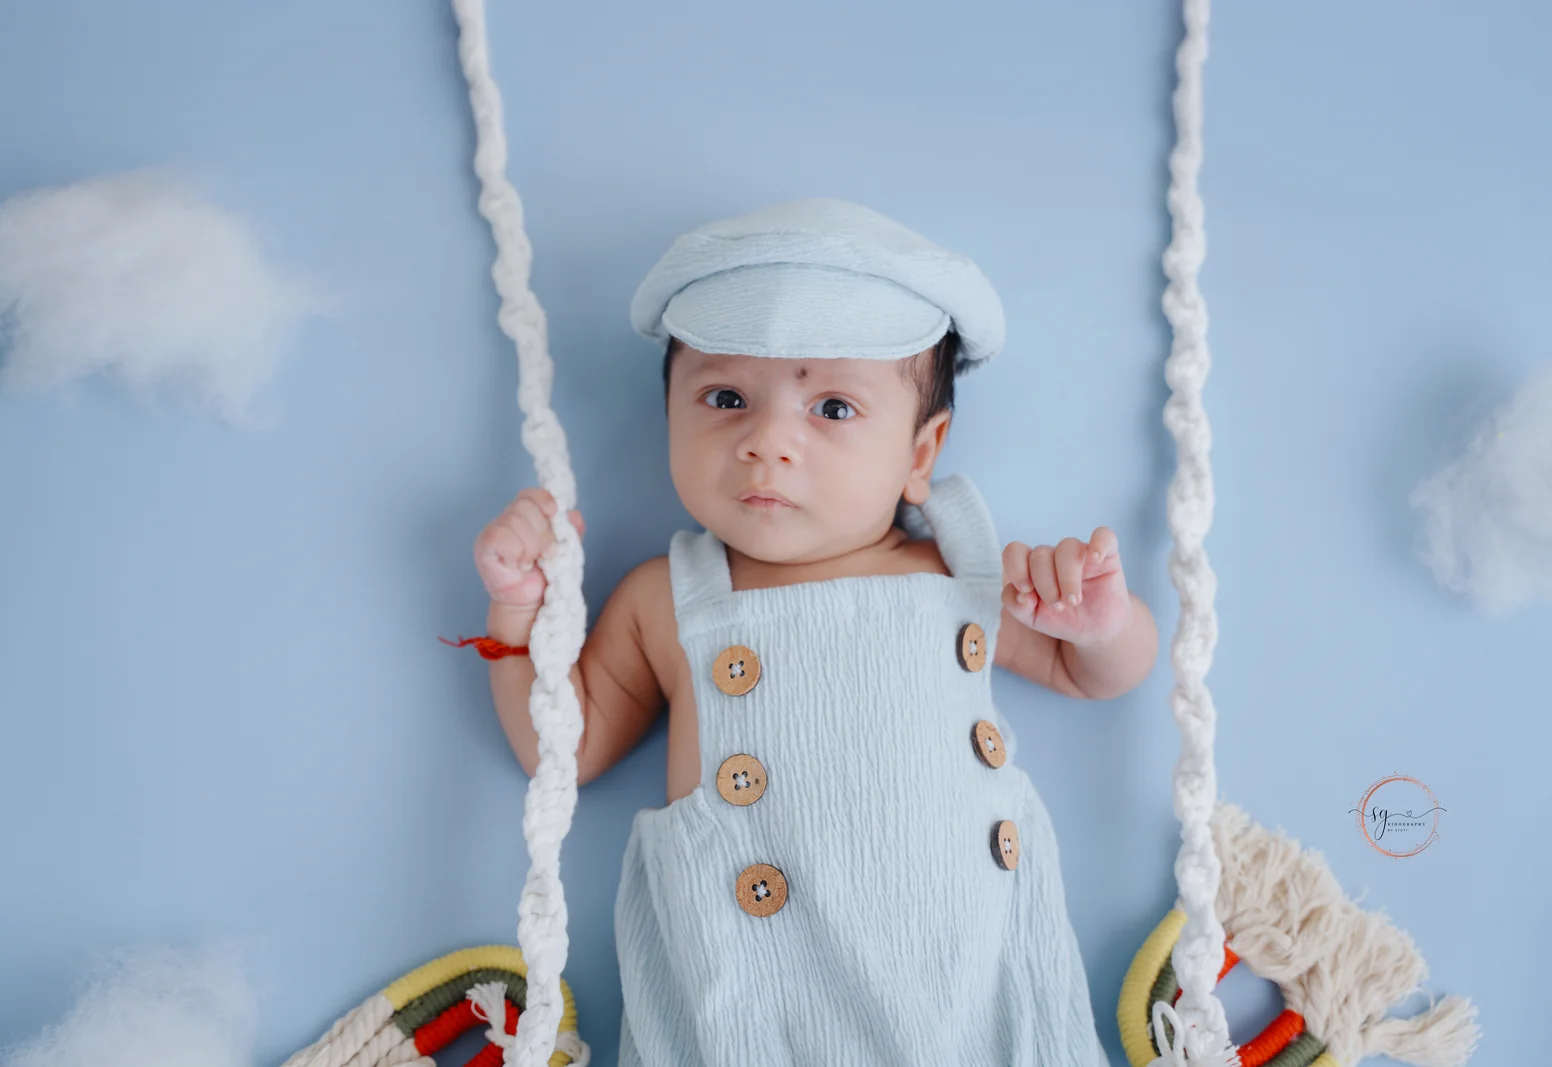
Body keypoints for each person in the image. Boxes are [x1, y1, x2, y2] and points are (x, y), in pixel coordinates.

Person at [468, 198, 1158, 1067]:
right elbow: (563, 747)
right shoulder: (668, 595)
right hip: (755, 997)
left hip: (964, 981)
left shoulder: (953, 572)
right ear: (670, 416)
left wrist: (1100, 625)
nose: (766, 442)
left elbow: (1093, 672)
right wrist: (522, 608)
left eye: (832, 408)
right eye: (725, 398)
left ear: (920, 452)